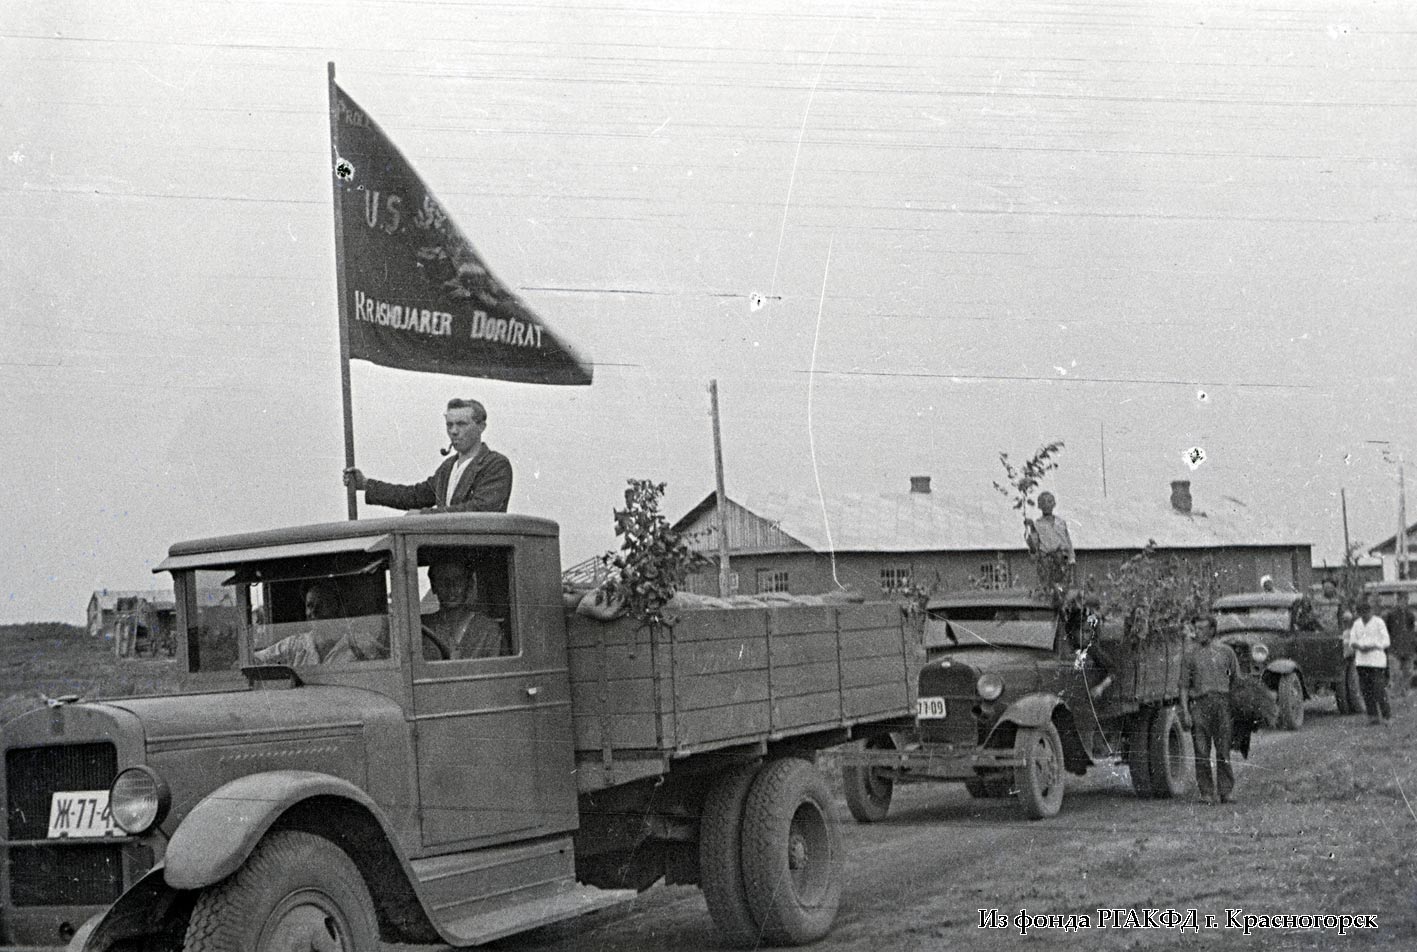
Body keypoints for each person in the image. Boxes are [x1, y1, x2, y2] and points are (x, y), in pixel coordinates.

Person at [344, 398, 513, 514]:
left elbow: (479, 510)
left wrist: (425, 515)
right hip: (446, 559)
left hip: (478, 562)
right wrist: (367, 485)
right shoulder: (448, 467)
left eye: (461, 424)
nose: (453, 431)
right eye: (449, 425)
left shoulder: (495, 464)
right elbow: (416, 496)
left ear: (481, 427)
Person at [1179, 615, 1241, 804]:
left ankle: (1226, 791)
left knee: (1223, 750)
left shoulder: (1226, 652)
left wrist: (1237, 708)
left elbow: (1236, 682)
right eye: (1196, 629)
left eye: (1202, 629)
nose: (1198, 633)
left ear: (1212, 630)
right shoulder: (1190, 655)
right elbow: (1183, 686)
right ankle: (1206, 792)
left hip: (1222, 704)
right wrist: (1186, 711)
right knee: (1201, 751)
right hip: (1199, 705)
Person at [420, 560, 509, 660]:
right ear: (433, 586)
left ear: (469, 584)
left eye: (458, 579)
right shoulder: (422, 626)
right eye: (442, 580)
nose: (451, 587)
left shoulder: (488, 630)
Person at [254, 582, 341, 666]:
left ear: (335, 607)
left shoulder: (351, 645)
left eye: (321, 605)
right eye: (310, 606)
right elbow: (257, 659)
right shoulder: (294, 644)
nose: (314, 611)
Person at [1347, 599, 1392, 724]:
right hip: (1362, 661)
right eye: (1361, 613)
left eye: (1366, 613)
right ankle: (1373, 716)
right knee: (1366, 691)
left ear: (1370, 611)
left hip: (1376, 661)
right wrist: (1359, 646)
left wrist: (1372, 646)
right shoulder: (1357, 624)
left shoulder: (1378, 622)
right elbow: (1352, 641)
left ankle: (1387, 716)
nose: (1364, 616)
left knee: (1379, 689)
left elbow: (1386, 641)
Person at [1024, 491, 1075, 594]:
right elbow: (1034, 547)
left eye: (1049, 502)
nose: (1047, 505)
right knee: (1050, 590)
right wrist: (1030, 528)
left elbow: (1068, 541)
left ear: (1054, 504)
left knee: (1064, 589)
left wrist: (1071, 558)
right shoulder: (1037, 524)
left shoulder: (1061, 522)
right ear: (1039, 506)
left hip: (1062, 560)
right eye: (1043, 502)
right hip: (1047, 562)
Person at [1383, 593, 1415, 700]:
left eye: (1406, 600)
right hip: (1394, 648)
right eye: (1402, 600)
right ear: (1398, 600)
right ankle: (1394, 693)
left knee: (1408, 671)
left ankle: (1404, 690)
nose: (1404, 602)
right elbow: (1387, 630)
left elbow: (1411, 630)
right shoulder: (1391, 614)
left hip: (1407, 648)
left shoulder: (1410, 614)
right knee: (1395, 672)